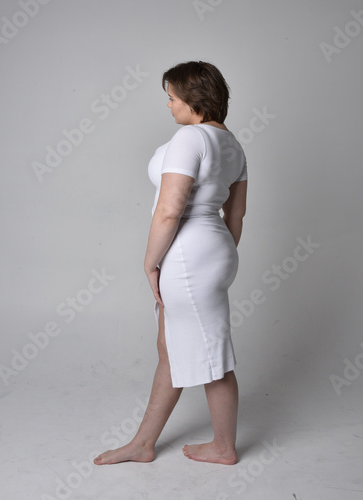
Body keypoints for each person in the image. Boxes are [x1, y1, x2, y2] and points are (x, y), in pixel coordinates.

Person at [94, 61, 248, 466]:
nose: (168, 105)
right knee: (171, 348)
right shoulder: (233, 144)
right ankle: (144, 442)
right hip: (215, 246)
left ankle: (223, 447)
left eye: (172, 97)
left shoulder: (189, 138)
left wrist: (150, 263)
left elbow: (169, 210)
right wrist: (220, 259)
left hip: (186, 251)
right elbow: (236, 217)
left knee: (211, 355)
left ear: (193, 101)